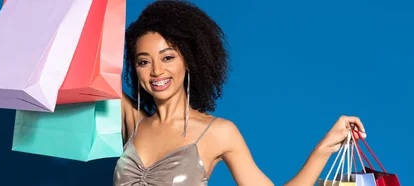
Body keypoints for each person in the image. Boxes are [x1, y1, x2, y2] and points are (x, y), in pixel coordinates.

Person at [112, 1, 367, 185]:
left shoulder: (218, 132)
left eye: (168, 57)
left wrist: (324, 148)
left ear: (188, 61)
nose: (156, 71)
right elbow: (79, 67)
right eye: (143, 61)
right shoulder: (131, 120)